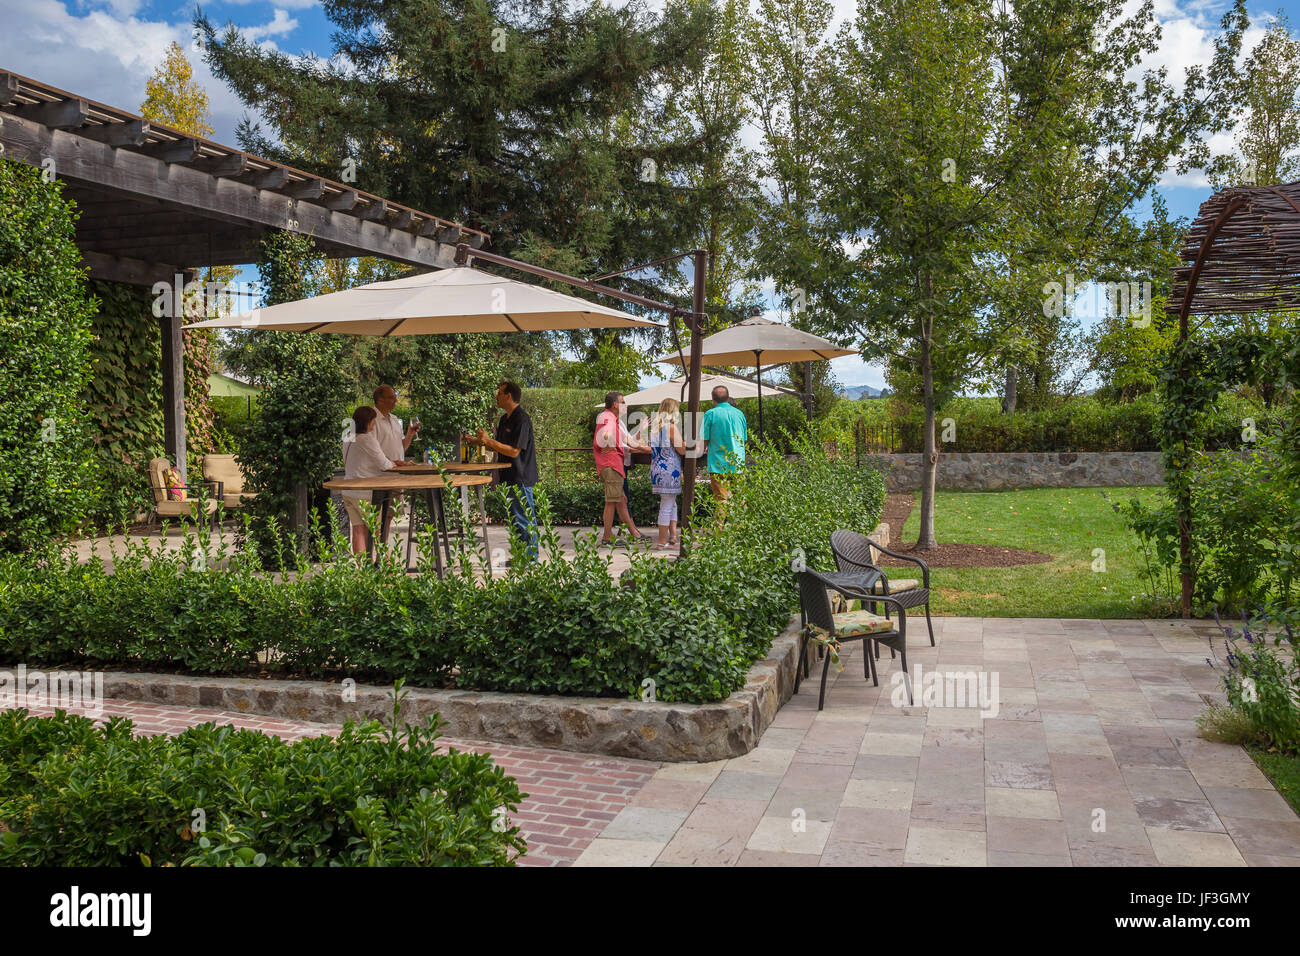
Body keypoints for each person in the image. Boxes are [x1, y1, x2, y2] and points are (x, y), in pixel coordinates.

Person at [463, 381, 539, 560]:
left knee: (524, 519)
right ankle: (521, 557)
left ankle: (530, 559)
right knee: (515, 521)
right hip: (507, 477)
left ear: (508, 395)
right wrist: (477, 441)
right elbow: (498, 447)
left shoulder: (522, 419)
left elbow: (513, 451)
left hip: (521, 477)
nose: (496, 397)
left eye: (499, 393)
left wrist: (488, 441)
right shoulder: (504, 419)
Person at [593, 392, 651, 547]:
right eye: (623, 402)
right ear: (615, 405)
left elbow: (630, 442)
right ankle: (607, 537)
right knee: (611, 501)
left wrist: (649, 450)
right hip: (611, 464)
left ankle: (633, 533)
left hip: (614, 465)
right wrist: (608, 444)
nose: (626, 405)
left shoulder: (614, 420)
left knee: (621, 500)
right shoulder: (608, 418)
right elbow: (605, 436)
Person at [342, 405, 396, 555]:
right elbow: (385, 465)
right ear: (368, 422)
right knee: (378, 531)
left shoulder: (347, 437)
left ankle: (363, 573)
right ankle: (388, 569)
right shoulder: (367, 439)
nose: (375, 423)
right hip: (364, 493)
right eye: (373, 420)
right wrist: (393, 462)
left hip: (348, 490)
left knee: (358, 530)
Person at [372, 385, 419, 537]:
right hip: (378, 476)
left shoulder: (395, 419)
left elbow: (401, 448)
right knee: (377, 517)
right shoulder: (372, 419)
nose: (396, 400)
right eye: (391, 397)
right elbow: (372, 450)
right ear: (380, 400)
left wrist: (410, 434)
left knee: (389, 516)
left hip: (395, 476)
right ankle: (379, 555)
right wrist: (391, 462)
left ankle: (382, 554)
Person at [699, 384, 748, 524]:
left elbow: (704, 440)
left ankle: (718, 536)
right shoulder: (740, 414)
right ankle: (744, 532)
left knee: (721, 500)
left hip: (718, 464)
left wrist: (702, 449)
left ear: (713, 400)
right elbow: (743, 440)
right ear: (728, 398)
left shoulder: (711, 414)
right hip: (737, 464)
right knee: (740, 499)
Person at [648, 397, 686, 550]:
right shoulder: (670, 427)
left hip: (657, 468)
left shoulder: (656, 429)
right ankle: (661, 542)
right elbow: (681, 450)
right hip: (670, 470)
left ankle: (672, 537)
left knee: (671, 503)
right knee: (667, 505)